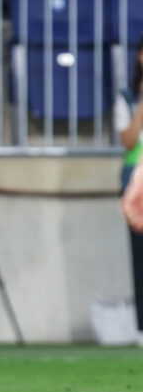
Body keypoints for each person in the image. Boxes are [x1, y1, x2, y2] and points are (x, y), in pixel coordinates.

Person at [115, 35, 143, 347]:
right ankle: (141, 328)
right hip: (138, 186)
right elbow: (128, 140)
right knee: (140, 258)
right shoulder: (127, 97)